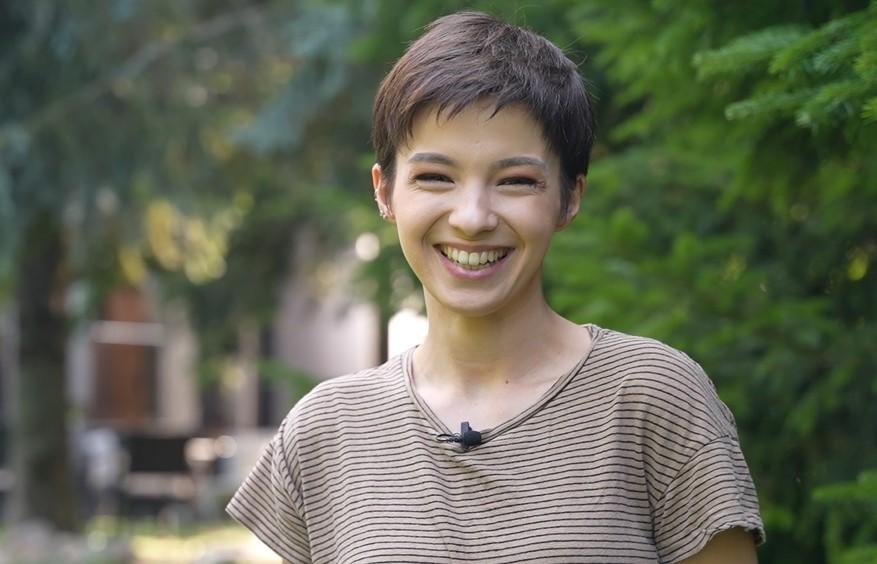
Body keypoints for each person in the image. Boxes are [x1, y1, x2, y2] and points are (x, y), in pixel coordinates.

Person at [227, 11, 764, 563]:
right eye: (435, 177)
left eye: (515, 181)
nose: (472, 218)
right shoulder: (326, 430)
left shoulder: (654, 397)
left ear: (569, 199)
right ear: (384, 192)